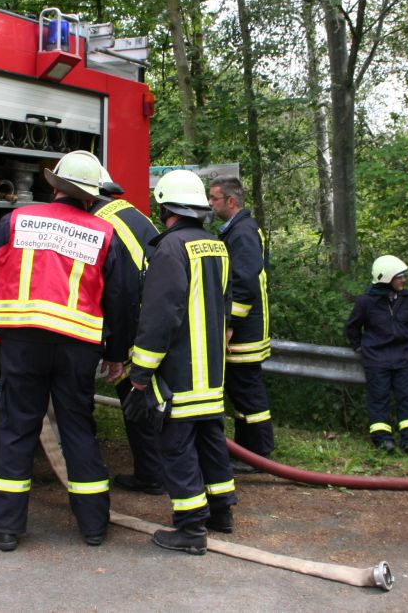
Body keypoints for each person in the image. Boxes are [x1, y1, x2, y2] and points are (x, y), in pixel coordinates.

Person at [0, 150, 133, 552]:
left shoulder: (17, 220)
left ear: (56, 186)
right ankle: (93, 526)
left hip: (23, 342)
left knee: (18, 428)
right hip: (77, 347)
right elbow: (118, 298)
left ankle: (5, 527)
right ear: (92, 196)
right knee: (76, 427)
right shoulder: (104, 233)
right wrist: (116, 353)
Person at [129, 169, 236, 555]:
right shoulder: (216, 245)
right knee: (211, 440)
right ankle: (221, 512)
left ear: (165, 208)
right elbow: (224, 302)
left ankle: (191, 529)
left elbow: (160, 315)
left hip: (181, 371)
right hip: (212, 371)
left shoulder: (170, 249)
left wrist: (141, 371)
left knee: (176, 446)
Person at [91, 167, 166, 496]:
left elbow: (119, 292)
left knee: (135, 400)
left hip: (135, 323)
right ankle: (165, 467)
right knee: (156, 399)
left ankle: (150, 475)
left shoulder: (97, 223)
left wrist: (116, 352)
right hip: (158, 315)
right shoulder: (130, 212)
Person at [208, 175, 273, 472]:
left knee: (248, 391)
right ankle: (247, 452)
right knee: (241, 391)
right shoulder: (238, 230)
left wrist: (230, 323)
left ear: (231, 201)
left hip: (245, 332)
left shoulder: (242, 233)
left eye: (214, 198)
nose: (210, 204)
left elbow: (244, 284)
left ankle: (258, 453)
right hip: (244, 328)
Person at [344, 255, 408, 453]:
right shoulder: (366, 301)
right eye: (399, 277)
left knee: (406, 398)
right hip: (376, 359)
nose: (404, 280)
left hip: (403, 358)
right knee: (379, 398)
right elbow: (352, 327)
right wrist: (360, 347)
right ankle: (383, 441)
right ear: (387, 278)